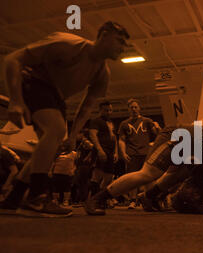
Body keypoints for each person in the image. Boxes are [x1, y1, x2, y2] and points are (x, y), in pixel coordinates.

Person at [0, 21, 129, 217]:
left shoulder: (102, 73)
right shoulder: (69, 45)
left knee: (53, 146)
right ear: (103, 35)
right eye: (119, 41)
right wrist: (16, 101)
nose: (122, 48)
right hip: (33, 82)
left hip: (57, 97)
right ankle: (36, 197)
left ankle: (14, 198)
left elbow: (86, 107)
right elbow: (13, 59)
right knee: (55, 130)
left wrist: (73, 136)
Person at [118, 98, 159, 209]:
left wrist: (157, 127)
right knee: (132, 178)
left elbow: (157, 134)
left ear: (139, 108)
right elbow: (121, 140)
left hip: (146, 153)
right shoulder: (124, 124)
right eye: (132, 107)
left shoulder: (147, 121)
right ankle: (132, 200)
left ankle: (148, 198)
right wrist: (123, 153)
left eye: (136, 107)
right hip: (132, 153)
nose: (134, 109)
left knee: (148, 177)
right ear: (128, 109)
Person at [88, 101, 118, 199]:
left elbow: (114, 138)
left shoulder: (110, 122)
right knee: (97, 175)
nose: (109, 112)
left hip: (110, 152)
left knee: (109, 177)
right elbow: (93, 135)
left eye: (110, 110)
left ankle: (100, 197)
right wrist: (100, 150)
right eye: (106, 110)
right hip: (101, 150)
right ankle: (92, 199)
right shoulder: (96, 121)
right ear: (100, 110)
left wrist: (116, 152)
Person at [51, 141, 77, 206]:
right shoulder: (57, 153)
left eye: (65, 145)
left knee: (67, 187)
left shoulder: (73, 154)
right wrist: (50, 171)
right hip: (57, 172)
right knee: (56, 187)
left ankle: (66, 200)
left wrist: (73, 170)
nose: (63, 147)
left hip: (67, 173)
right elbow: (53, 163)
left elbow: (76, 164)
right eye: (62, 145)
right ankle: (56, 200)